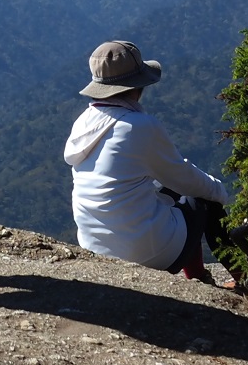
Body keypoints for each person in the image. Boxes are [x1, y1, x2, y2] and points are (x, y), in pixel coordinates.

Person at [64, 40, 230, 281]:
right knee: (205, 200)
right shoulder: (138, 126)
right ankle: (244, 279)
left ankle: (199, 277)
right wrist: (220, 192)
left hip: (94, 246)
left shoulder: (83, 123)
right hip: (144, 251)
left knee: (172, 192)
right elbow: (185, 178)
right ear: (138, 85)